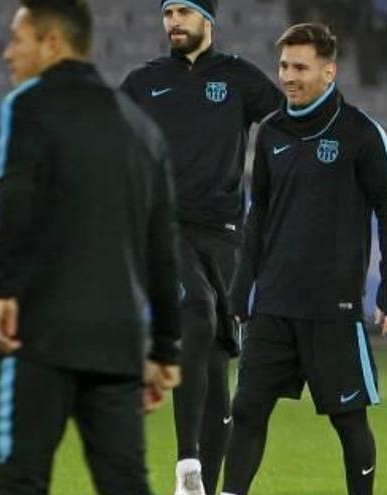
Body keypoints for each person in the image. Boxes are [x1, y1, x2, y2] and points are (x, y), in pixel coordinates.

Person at [0, 0, 182, 493]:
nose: (8, 53)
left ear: (52, 43)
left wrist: (2, 289)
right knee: (125, 486)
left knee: (21, 482)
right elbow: (162, 245)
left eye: (17, 39)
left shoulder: (26, 104)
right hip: (117, 344)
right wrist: (164, 348)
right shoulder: (142, 129)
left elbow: (14, 198)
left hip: (37, 337)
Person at [221, 23, 387, 495]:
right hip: (274, 303)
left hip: (333, 308)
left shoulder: (362, 134)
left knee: (348, 421)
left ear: (329, 71)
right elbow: (258, 215)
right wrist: (242, 286)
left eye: (300, 67)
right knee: (245, 409)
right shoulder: (272, 133)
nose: (288, 76)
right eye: (284, 66)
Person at [120, 2, 282, 493]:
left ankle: (203, 487)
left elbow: (287, 127)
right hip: (163, 227)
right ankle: (186, 464)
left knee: (215, 358)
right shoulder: (143, 82)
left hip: (227, 234)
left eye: (183, 13)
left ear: (207, 20)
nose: (173, 22)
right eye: (167, 13)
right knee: (197, 308)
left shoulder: (238, 78)